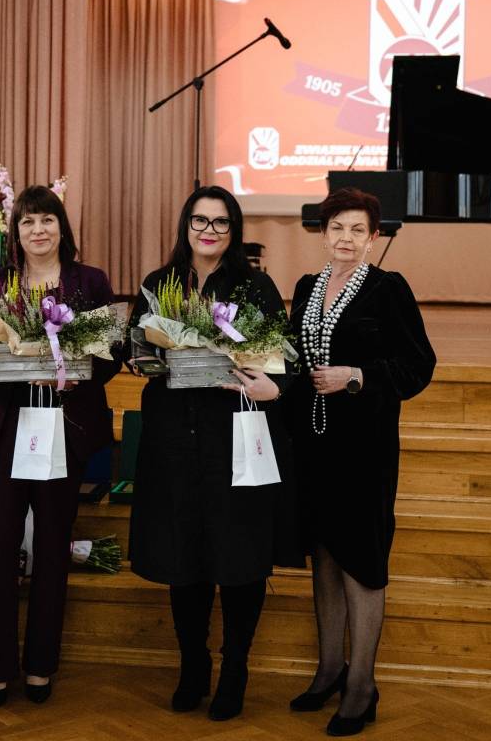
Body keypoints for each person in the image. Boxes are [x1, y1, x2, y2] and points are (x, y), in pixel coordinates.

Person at [126, 185, 303, 721]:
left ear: (234, 230)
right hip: (173, 441)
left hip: (235, 440)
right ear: (186, 225)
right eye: (200, 220)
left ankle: (235, 669)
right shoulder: (160, 283)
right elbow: (138, 348)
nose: (209, 231)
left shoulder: (255, 286)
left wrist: (276, 386)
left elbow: (284, 358)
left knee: (239, 558)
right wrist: (140, 358)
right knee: (185, 560)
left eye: (220, 222)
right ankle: (193, 665)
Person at [0, 185, 120, 709]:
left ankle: (40, 665)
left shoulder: (89, 282)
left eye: (47, 219)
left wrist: (77, 374)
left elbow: (111, 355)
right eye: (28, 221)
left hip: (64, 427)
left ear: (61, 227)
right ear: (16, 232)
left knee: (53, 546)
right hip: (5, 431)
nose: (38, 230)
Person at [286, 187, 436, 736]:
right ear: (323, 233)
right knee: (325, 557)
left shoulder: (388, 289)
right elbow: (295, 360)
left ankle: (361, 686)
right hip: (313, 447)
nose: (345, 238)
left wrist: (356, 376)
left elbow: (419, 365)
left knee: (363, 562)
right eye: (337, 228)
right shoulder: (307, 287)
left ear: (373, 237)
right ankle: (329, 669)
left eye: (357, 230)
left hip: (365, 451)